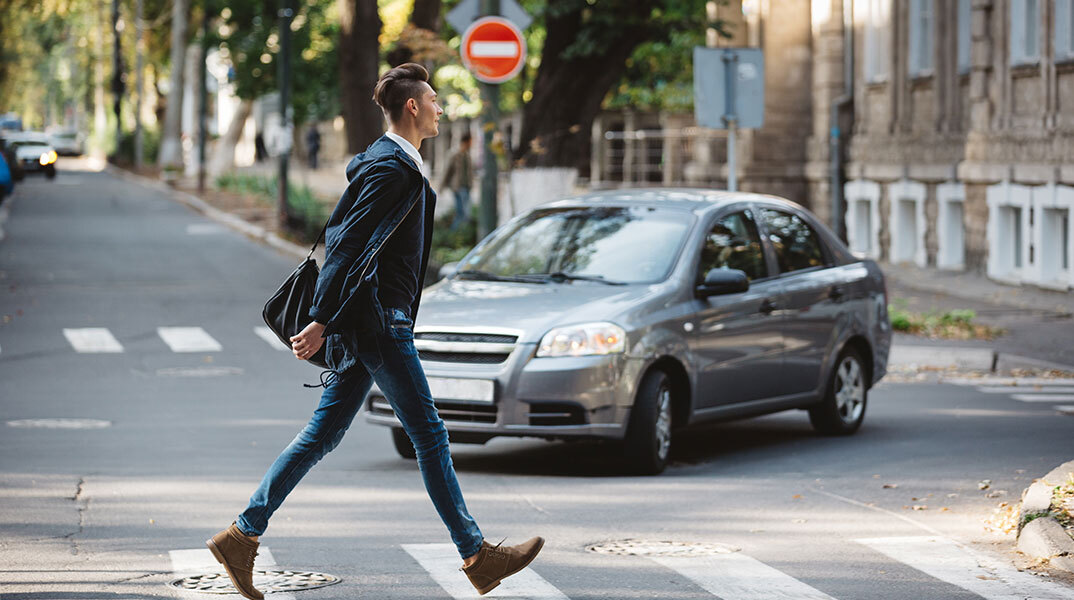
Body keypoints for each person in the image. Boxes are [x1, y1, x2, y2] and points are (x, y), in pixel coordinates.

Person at [206, 63, 544, 600]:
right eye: (433, 99)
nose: (439, 107)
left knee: (323, 434)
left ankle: (242, 535)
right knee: (430, 434)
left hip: (373, 322)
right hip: (380, 323)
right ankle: (476, 554)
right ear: (413, 106)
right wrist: (320, 319)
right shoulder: (392, 168)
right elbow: (346, 245)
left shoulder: (396, 164)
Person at [441, 132, 472, 230]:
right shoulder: (454, 154)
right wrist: (442, 186)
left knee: (465, 213)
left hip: (467, 187)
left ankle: (460, 234)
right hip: (458, 187)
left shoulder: (467, 155)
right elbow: (447, 171)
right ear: (466, 142)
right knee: (462, 213)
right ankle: (454, 233)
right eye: (471, 142)